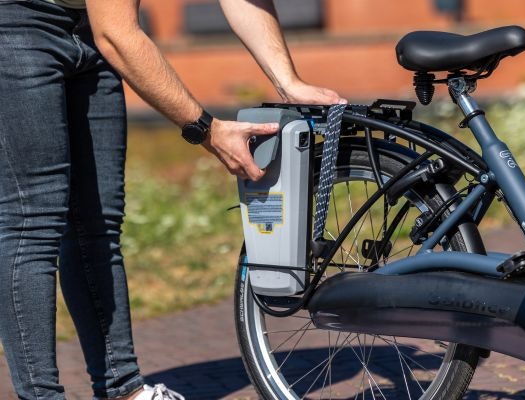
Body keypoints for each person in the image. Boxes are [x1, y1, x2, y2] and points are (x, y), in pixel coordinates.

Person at [0, 0, 345, 399]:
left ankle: (122, 389)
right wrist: (206, 129)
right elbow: (118, 35)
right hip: (19, 22)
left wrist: (288, 80)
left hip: (92, 32)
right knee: (34, 222)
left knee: (96, 226)